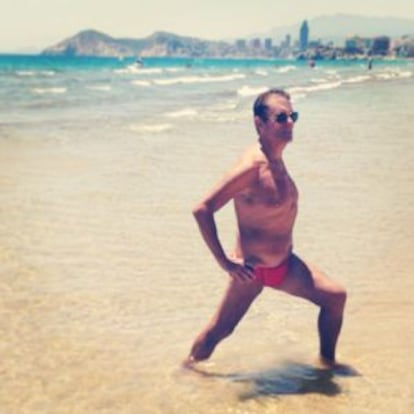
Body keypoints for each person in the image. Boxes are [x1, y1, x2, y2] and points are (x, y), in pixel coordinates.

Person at [185, 88, 347, 368]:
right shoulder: (252, 167)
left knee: (335, 298)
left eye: (292, 116)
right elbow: (202, 209)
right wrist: (225, 262)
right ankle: (186, 373)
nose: (289, 123)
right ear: (259, 124)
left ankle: (327, 366)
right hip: (254, 271)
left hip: (286, 264)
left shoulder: (276, 159)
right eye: (280, 117)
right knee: (219, 331)